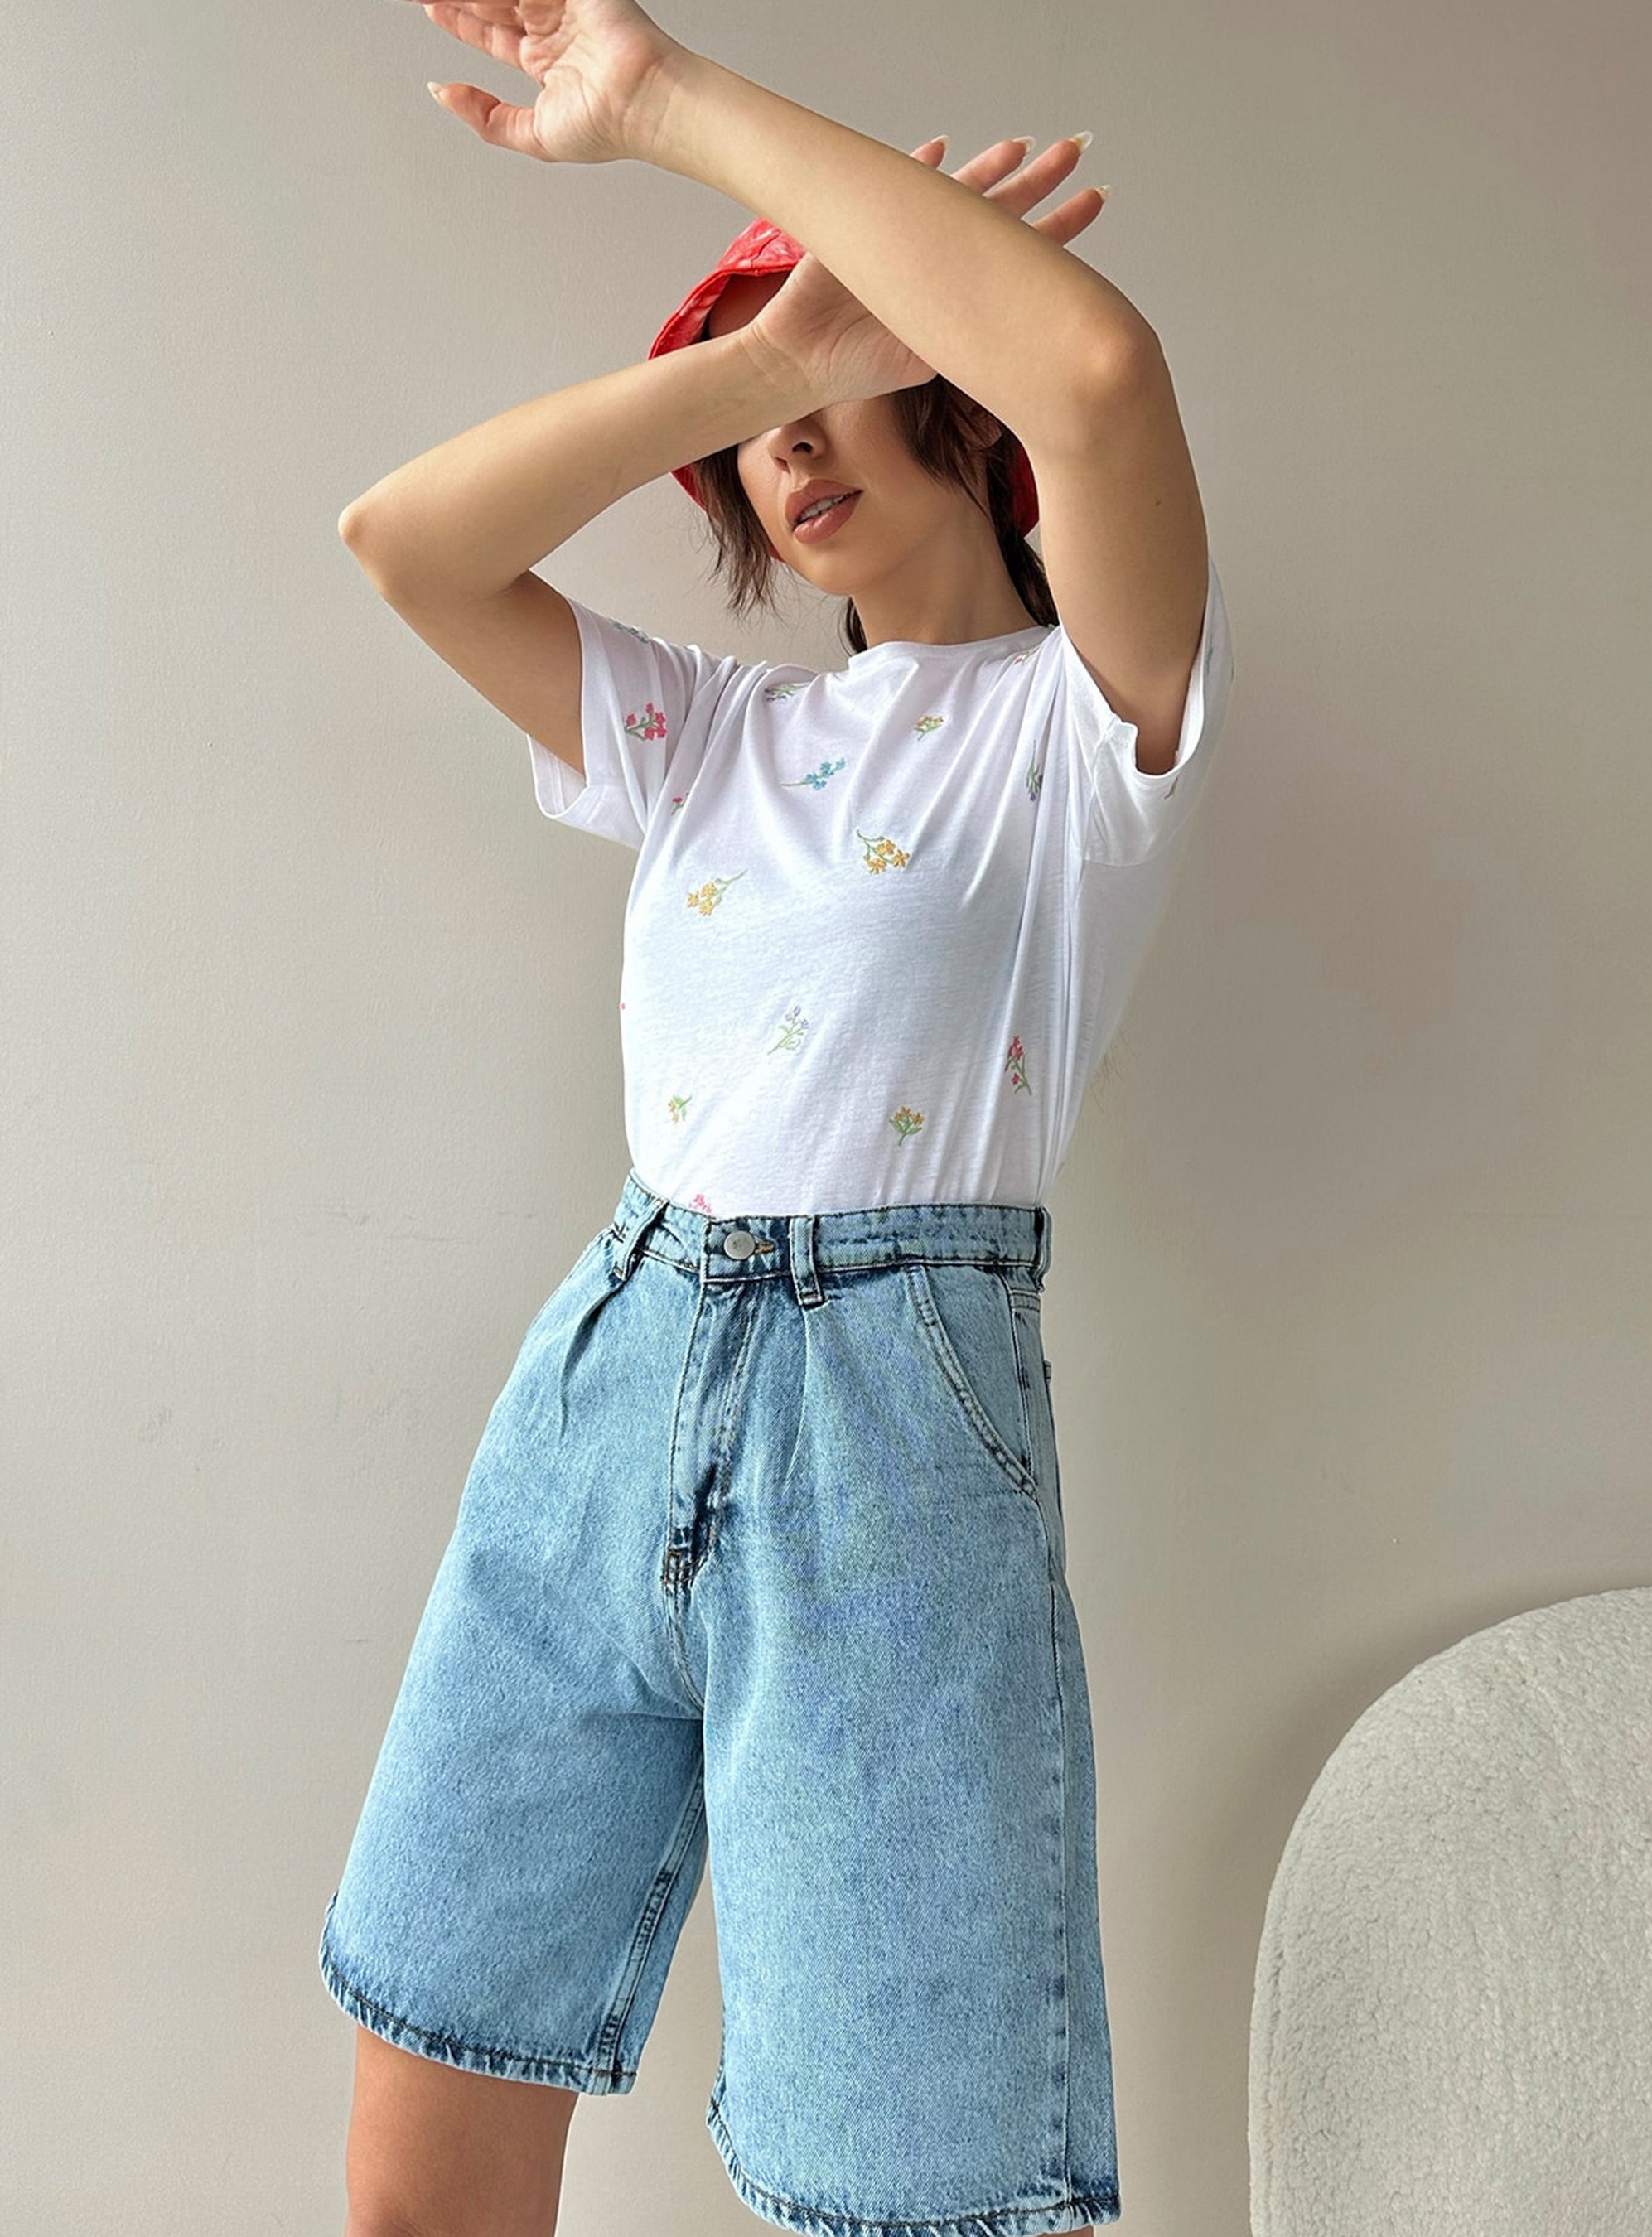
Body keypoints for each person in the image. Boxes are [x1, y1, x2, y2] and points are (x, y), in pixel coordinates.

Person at [320, 6, 1234, 2235]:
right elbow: (403, 542)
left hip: (887, 1441)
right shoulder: (710, 740)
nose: (785, 447)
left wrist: (660, 108)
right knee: (429, 2080)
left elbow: (1102, 377)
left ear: (951, 391)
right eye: (751, 434)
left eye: (844, 372)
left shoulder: (1082, 728)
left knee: (906, 2173)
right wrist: (749, 366)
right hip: (604, 1380)